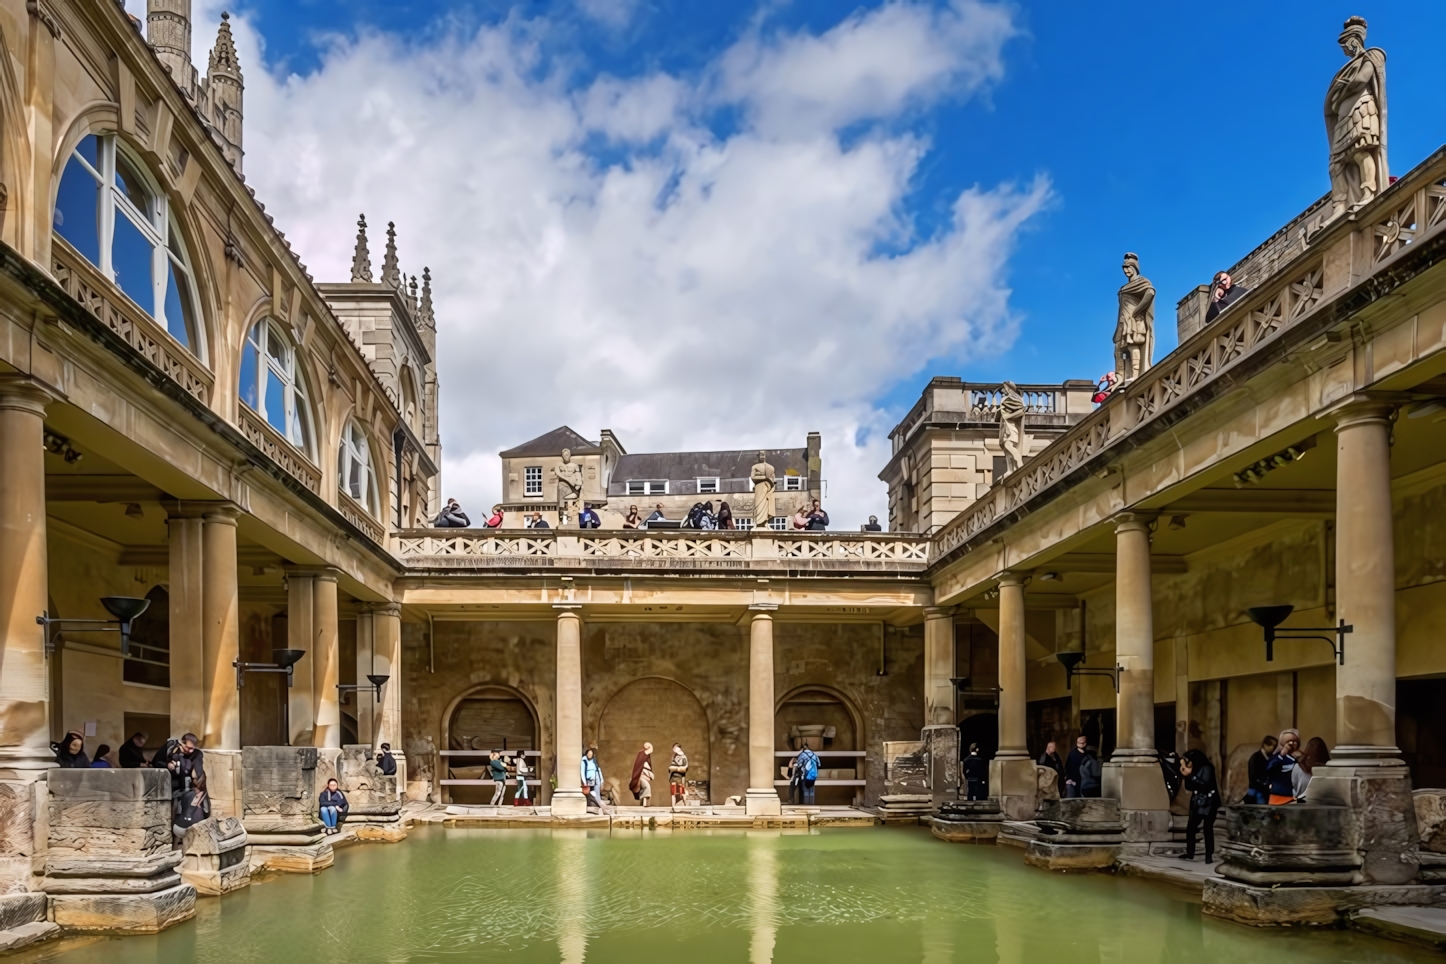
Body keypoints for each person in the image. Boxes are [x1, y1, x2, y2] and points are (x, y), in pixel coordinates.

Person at [1179, 749, 1221, 863]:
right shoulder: (1193, 769)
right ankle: (1190, 853)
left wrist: (1191, 776)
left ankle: (1209, 855)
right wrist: (1187, 775)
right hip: (1197, 802)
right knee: (1191, 828)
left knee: (1207, 829)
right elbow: (1189, 786)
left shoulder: (1207, 768)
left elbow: (1205, 786)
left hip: (1209, 802)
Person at [167, 734, 207, 834]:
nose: (190, 751)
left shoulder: (197, 755)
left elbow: (198, 771)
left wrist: (198, 782)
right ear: (182, 744)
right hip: (175, 789)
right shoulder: (174, 752)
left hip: (191, 789)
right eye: (188, 748)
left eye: (192, 748)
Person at [1264, 728, 1301, 805]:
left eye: (1295, 741)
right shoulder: (1278, 757)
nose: (1292, 744)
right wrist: (1281, 755)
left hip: (1294, 796)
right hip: (1279, 795)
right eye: (1289, 742)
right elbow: (1268, 768)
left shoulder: (1299, 756)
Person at [1293, 737, 1331, 802]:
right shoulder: (1329, 768)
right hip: (1322, 803)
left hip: (1302, 802)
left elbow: (1294, 785)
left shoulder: (1298, 767)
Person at [1245, 734, 1278, 805]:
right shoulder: (1255, 757)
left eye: (1274, 746)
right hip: (1256, 790)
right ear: (1264, 744)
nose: (1272, 747)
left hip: (1267, 791)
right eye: (1270, 744)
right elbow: (1253, 777)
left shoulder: (1272, 758)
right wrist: (1265, 785)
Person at [629, 742, 654, 807]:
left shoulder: (646, 758)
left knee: (644, 789)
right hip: (641, 777)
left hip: (644, 777)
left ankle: (643, 804)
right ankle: (644, 804)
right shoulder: (642, 754)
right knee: (647, 788)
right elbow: (638, 769)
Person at [1064, 734, 1088, 798]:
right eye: (1080, 742)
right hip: (1075, 780)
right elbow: (1068, 767)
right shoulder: (1072, 754)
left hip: (1085, 781)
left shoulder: (1087, 753)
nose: (1082, 744)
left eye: (1084, 742)